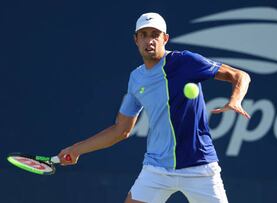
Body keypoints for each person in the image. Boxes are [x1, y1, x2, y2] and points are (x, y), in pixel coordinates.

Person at [58, 12, 251, 203]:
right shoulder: (136, 78)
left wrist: (235, 99)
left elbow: (240, 75)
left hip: (199, 166)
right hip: (157, 169)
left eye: (155, 35)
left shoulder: (185, 61)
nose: (149, 40)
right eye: (144, 35)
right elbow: (120, 130)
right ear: (136, 40)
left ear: (165, 38)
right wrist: (76, 150)